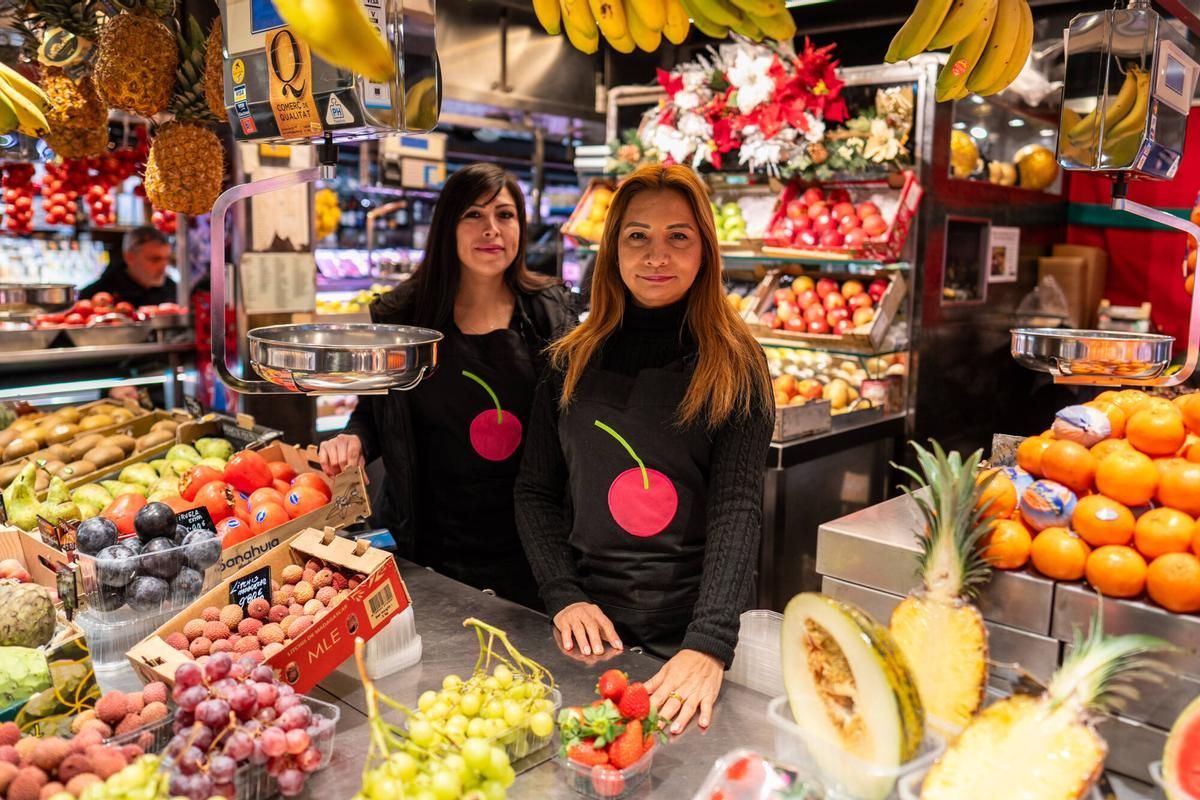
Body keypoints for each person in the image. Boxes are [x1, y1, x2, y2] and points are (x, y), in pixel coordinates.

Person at [514, 164, 773, 735]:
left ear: (704, 249)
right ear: (614, 250)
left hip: (690, 636)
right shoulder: (568, 359)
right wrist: (563, 595)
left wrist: (709, 644)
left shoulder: (737, 365)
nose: (657, 255)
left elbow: (737, 509)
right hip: (587, 633)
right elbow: (535, 492)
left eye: (678, 236)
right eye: (638, 236)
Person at [319, 163, 577, 608]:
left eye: (505, 215)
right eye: (473, 215)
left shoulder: (549, 313)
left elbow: (574, 417)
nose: (491, 230)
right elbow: (375, 411)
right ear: (447, 226)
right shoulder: (404, 318)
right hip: (429, 536)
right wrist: (353, 439)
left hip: (533, 542)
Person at [81, 226, 177, 307]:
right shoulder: (96, 294)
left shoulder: (176, 291)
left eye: (167, 259)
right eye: (154, 259)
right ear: (129, 258)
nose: (163, 267)